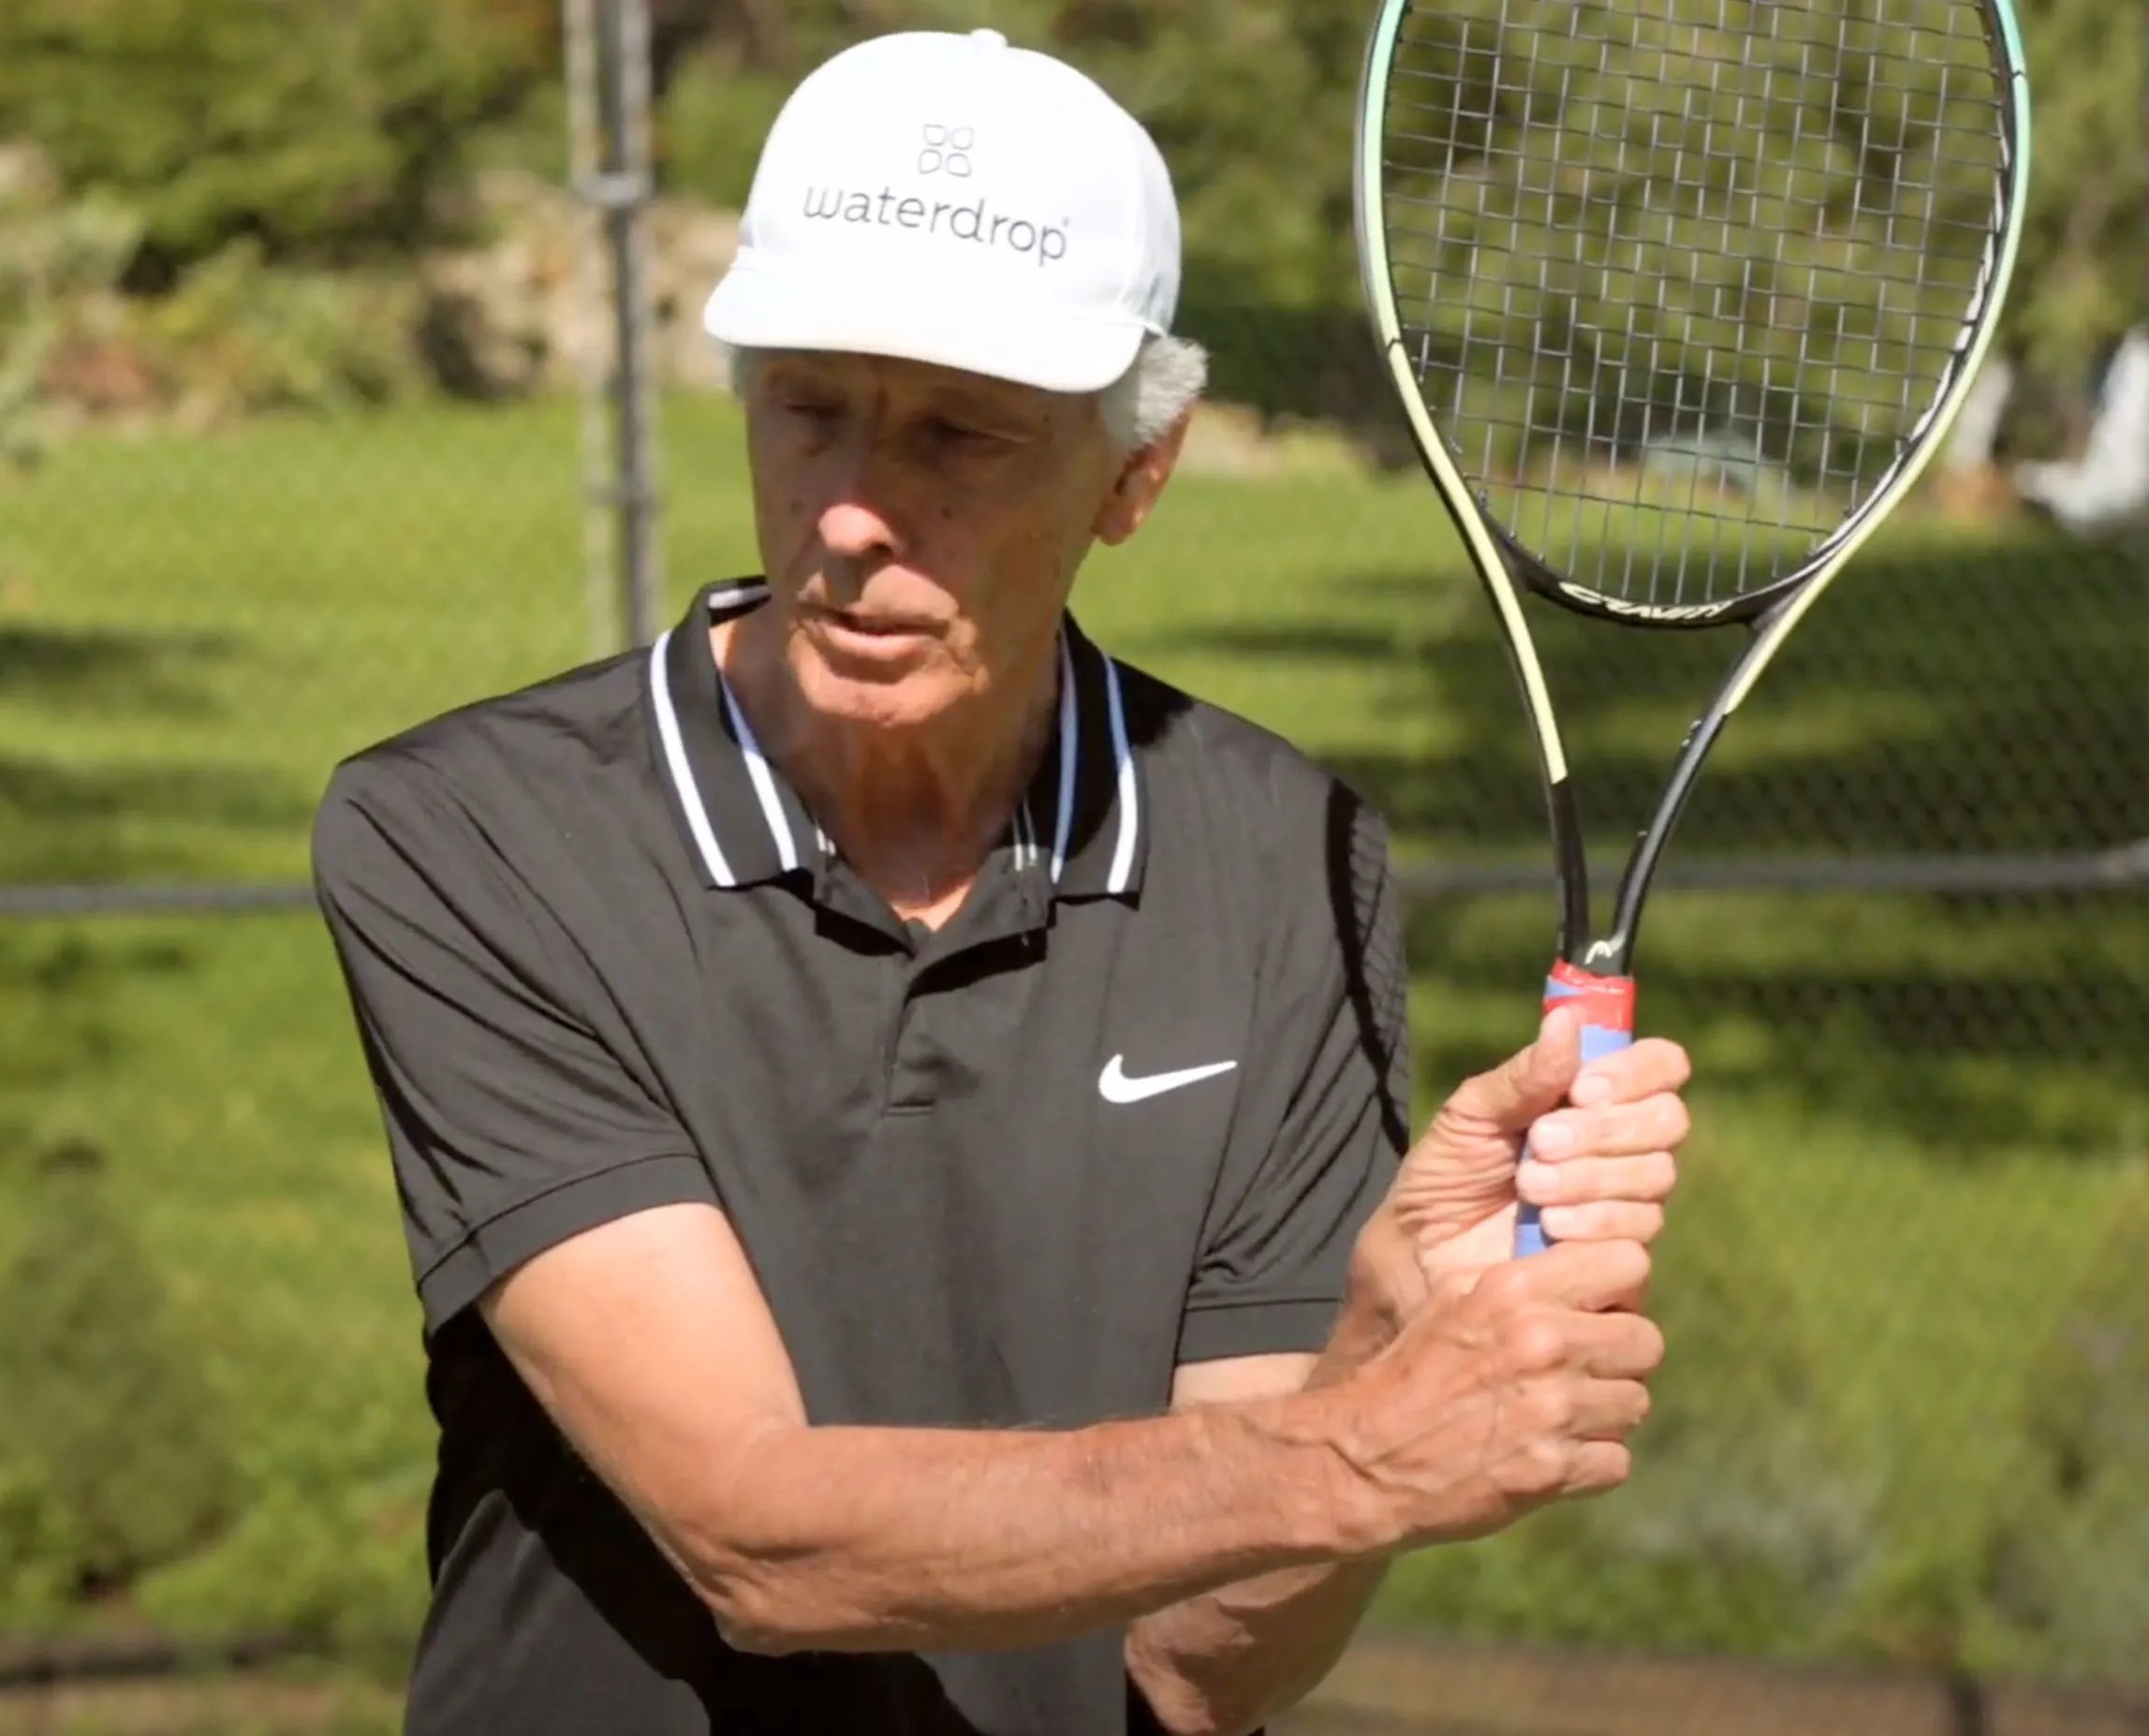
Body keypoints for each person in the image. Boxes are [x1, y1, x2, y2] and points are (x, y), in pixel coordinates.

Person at [313, 27, 1689, 1736]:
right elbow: (756, 1532)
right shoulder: (472, 836)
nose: (853, 518)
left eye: (960, 438)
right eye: (812, 409)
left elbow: (1197, 1666)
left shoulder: (1277, 855)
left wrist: (1385, 1335)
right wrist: (1355, 1447)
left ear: (1137, 473)